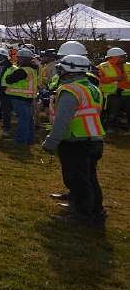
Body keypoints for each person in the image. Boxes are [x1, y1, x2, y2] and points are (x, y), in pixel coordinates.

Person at [42, 54, 106, 225]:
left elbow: (63, 121)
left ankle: (83, 214)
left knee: (78, 178)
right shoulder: (92, 87)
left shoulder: (71, 90)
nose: (59, 70)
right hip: (94, 139)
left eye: (61, 68)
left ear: (70, 69)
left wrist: (50, 142)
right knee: (89, 177)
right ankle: (96, 210)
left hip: (76, 140)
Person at [2, 47, 40, 146]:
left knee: (23, 119)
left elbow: (9, 80)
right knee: (28, 119)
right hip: (28, 98)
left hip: (19, 98)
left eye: (19, 58)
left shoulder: (22, 71)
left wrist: (9, 74)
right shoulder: (33, 69)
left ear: (23, 59)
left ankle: (21, 140)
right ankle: (29, 139)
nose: (17, 59)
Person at [96, 47, 129, 131]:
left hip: (128, 94)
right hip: (113, 95)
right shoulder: (102, 67)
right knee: (112, 114)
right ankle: (108, 128)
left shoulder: (128, 65)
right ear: (115, 57)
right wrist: (115, 78)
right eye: (122, 56)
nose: (125, 58)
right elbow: (99, 79)